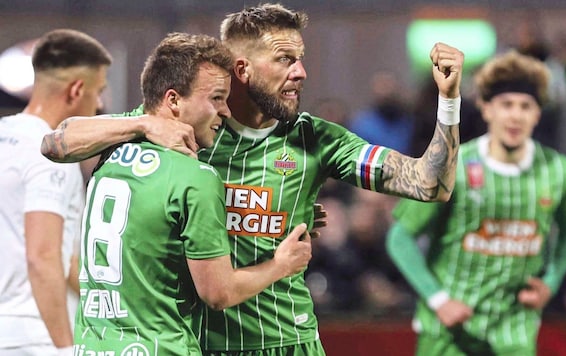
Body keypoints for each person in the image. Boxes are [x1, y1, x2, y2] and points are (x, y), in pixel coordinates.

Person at [41, 3, 464, 355]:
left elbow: (431, 184)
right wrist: (141, 127)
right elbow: (56, 143)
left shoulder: (315, 139)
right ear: (242, 69)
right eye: (285, 59)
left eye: (300, 59)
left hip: (285, 340)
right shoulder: (189, 122)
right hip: (201, 341)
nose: (300, 72)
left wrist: (448, 102)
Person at [71, 32, 313, 355]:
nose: (225, 111)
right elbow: (218, 293)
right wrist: (281, 265)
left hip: (92, 347)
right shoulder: (194, 176)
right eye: (216, 98)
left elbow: (54, 141)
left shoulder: (113, 147)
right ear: (173, 100)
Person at [386, 50, 566, 356]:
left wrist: (552, 281)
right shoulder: (454, 165)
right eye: (506, 105)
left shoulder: (560, 171)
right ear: (486, 108)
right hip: (449, 334)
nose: (515, 115)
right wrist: (438, 299)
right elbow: (400, 238)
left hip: (514, 332)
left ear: (537, 114)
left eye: (525, 106)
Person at [0, 29, 112, 356]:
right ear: (77, 90)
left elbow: (65, 260)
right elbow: (44, 256)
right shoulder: (52, 154)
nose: (100, 103)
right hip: (34, 335)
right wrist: (65, 348)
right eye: (99, 91)